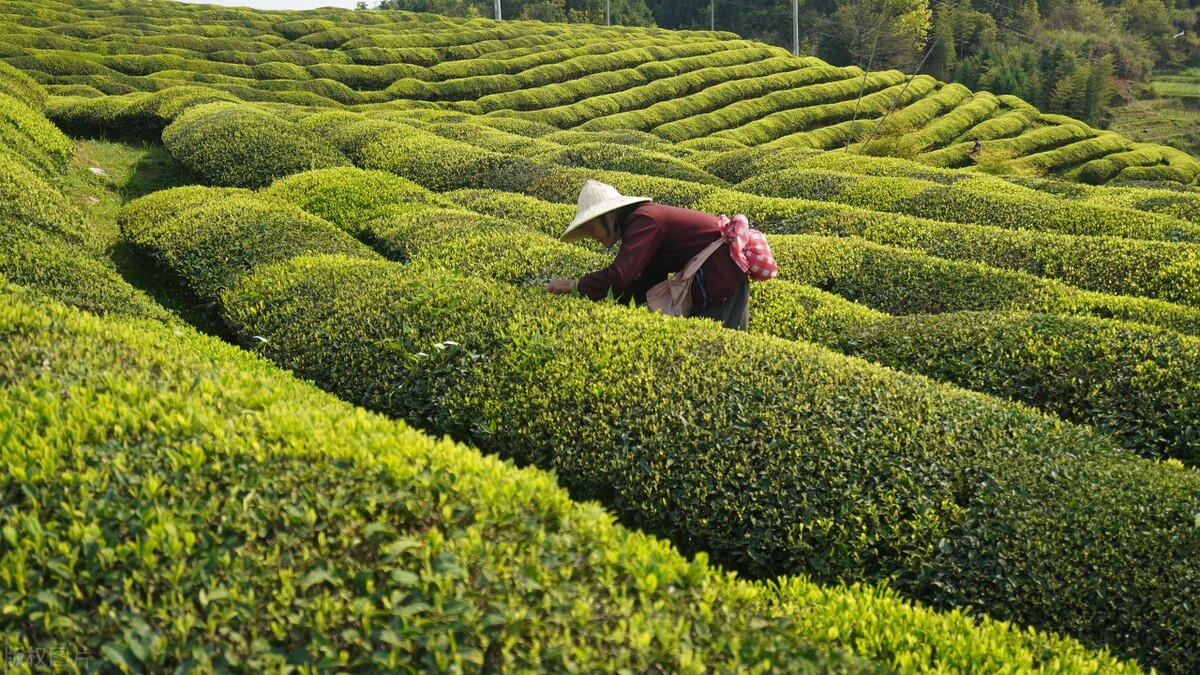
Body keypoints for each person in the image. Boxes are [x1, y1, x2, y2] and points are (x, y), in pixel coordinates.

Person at [544, 179, 752, 330]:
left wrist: (576, 286)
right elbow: (648, 281)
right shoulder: (639, 224)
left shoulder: (644, 221)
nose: (592, 236)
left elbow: (621, 275)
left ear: (609, 217)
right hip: (715, 277)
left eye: (591, 229)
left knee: (715, 345)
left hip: (721, 276)